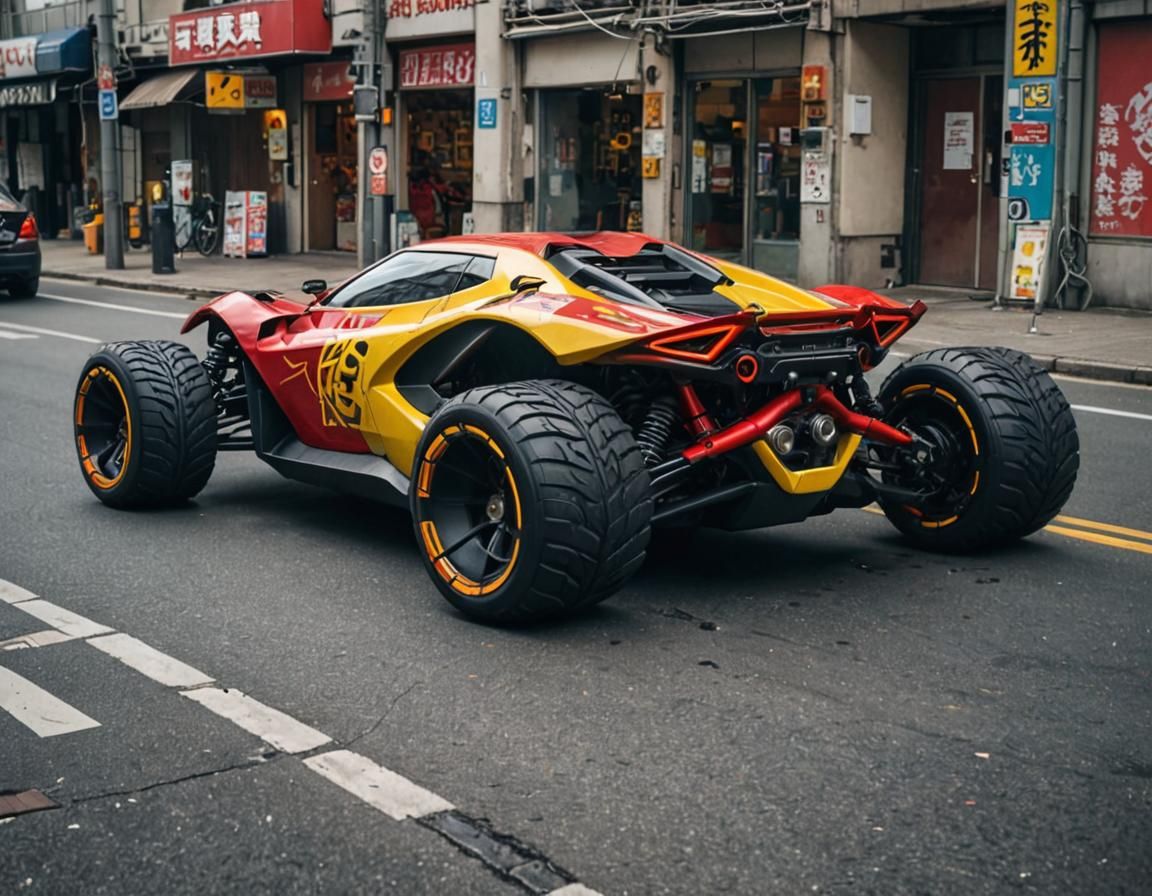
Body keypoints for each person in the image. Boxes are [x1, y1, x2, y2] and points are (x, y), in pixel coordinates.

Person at [409, 153, 467, 239]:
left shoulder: (411, 189)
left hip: (416, 221)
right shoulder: (430, 188)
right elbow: (448, 197)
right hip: (432, 221)